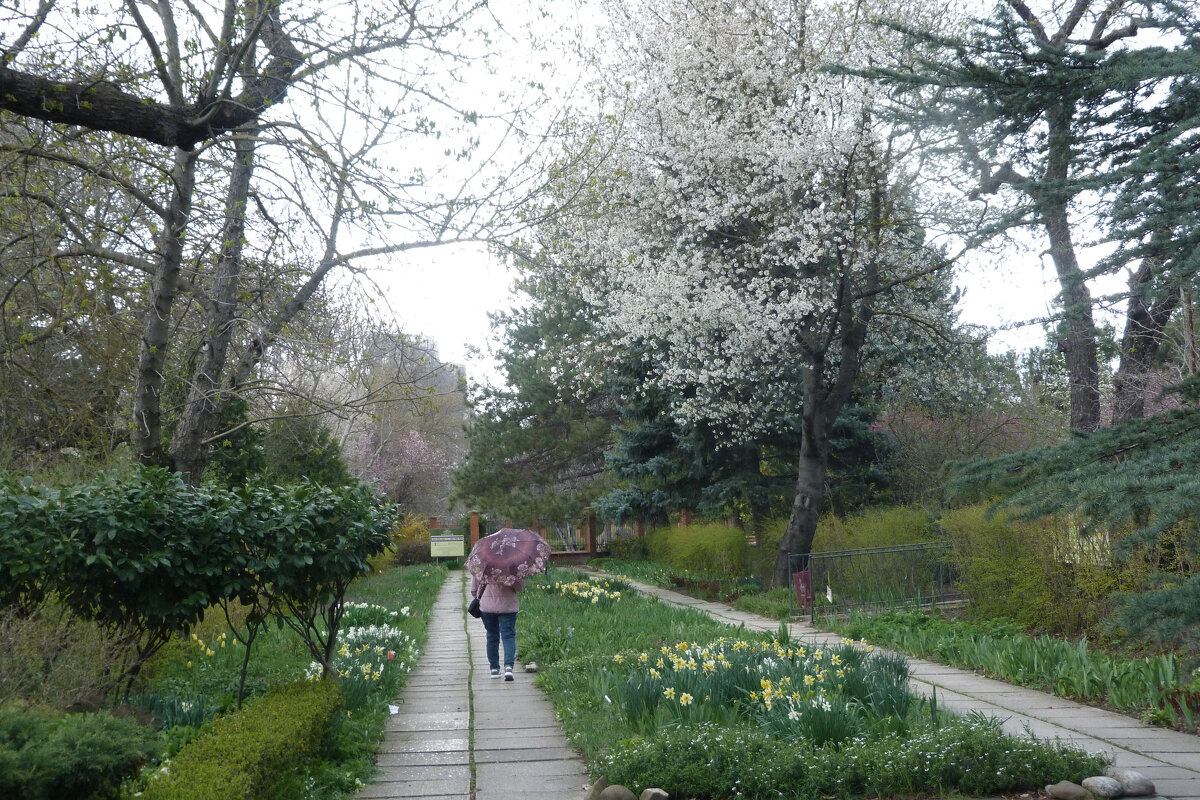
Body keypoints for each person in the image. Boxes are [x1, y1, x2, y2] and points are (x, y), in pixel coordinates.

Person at [470, 574, 523, 681]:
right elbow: (519, 587)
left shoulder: (483, 565)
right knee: (508, 636)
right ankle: (508, 667)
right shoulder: (513, 565)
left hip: (487, 606)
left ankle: (494, 668)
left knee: (492, 636)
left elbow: (474, 590)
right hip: (508, 606)